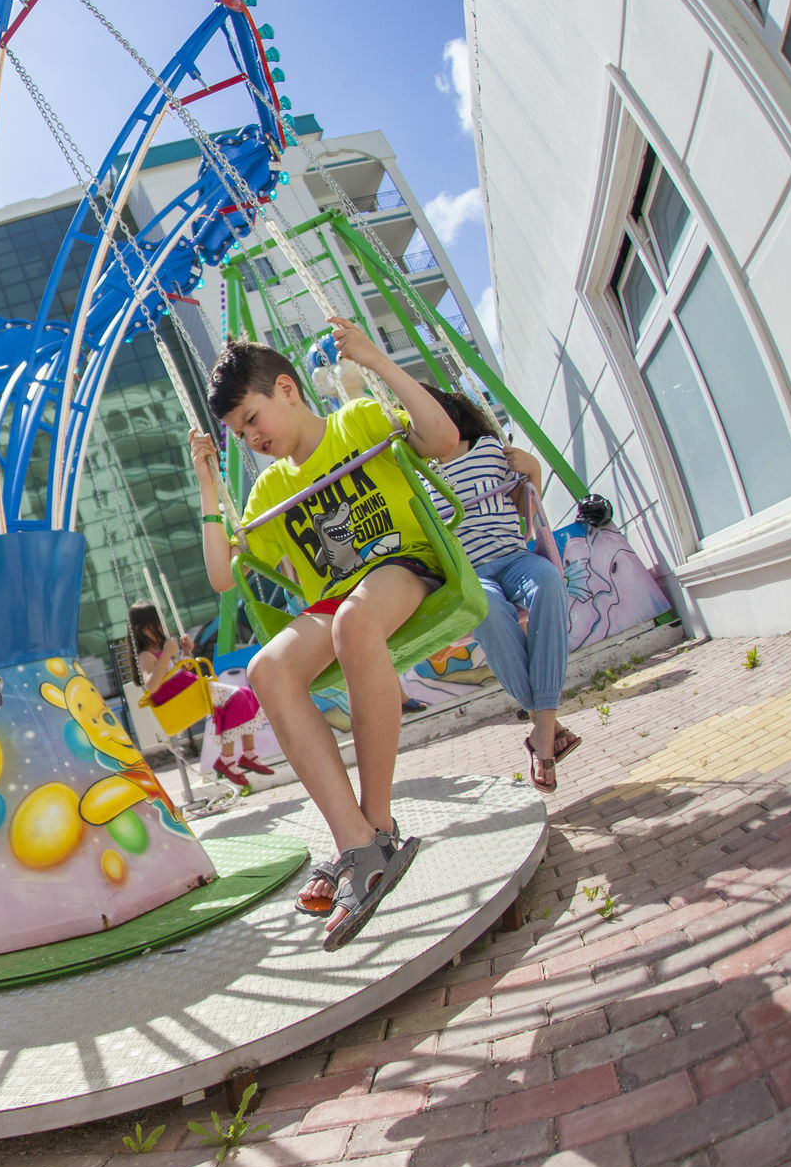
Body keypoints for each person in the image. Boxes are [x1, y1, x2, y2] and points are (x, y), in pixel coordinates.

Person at [193, 317, 460, 951]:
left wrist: (378, 361)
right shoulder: (269, 489)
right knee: (267, 669)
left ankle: (378, 821)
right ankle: (358, 844)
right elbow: (222, 577)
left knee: (352, 618)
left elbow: (444, 439)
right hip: (339, 600)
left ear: (287, 389)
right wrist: (209, 486)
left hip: (404, 566)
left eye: (253, 419)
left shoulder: (357, 421)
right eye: (237, 433)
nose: (250, 438)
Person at [422, 385, 576, 794]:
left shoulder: (489, 449)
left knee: (547, 581)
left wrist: (535, 472)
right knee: (485, 607)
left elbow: (526, 510)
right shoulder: (415, 475)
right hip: (472, 575)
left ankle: (540, 731)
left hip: (513, 555)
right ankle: (546, 730)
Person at [127, 601, 271, 790]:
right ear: (140, 629)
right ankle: (226, 760)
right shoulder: (147, 655)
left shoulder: (162, 650)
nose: (160, 628)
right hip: (184, 697)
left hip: (192, 689)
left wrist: (185, 652)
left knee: (245, 694)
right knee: (236, 698)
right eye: (155, 625)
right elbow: (152, 685)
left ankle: (249, 754)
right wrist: (166, 655)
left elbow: (177, 671)